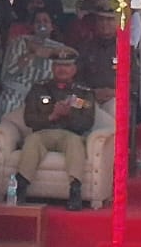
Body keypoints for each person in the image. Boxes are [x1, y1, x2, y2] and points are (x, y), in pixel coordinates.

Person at [13, 48, 95, 210]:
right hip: (43, 132)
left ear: (74, 69)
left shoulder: (83, 93)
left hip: (70, 133)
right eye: (58, 65)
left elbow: (87, 122)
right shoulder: (39, 89)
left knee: (75, 143)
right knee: (32, 141)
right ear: (52, 68)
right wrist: (52, 116)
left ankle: (75, 190)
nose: (62, 69)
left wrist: (69, 114)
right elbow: (29, 119)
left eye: (67, 66)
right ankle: (21, 188)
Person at [0, 10, 62, 120]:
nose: (42, 24)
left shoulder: (60, 48)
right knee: (9, 104)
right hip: (17, 91)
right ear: (32, 26)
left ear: (52, 26)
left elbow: (62, 73)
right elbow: (10, 71)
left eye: (45, 21)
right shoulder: (19, 42)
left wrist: (47, 52)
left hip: (44, 94)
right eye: (38, 21)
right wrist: (31, 53)